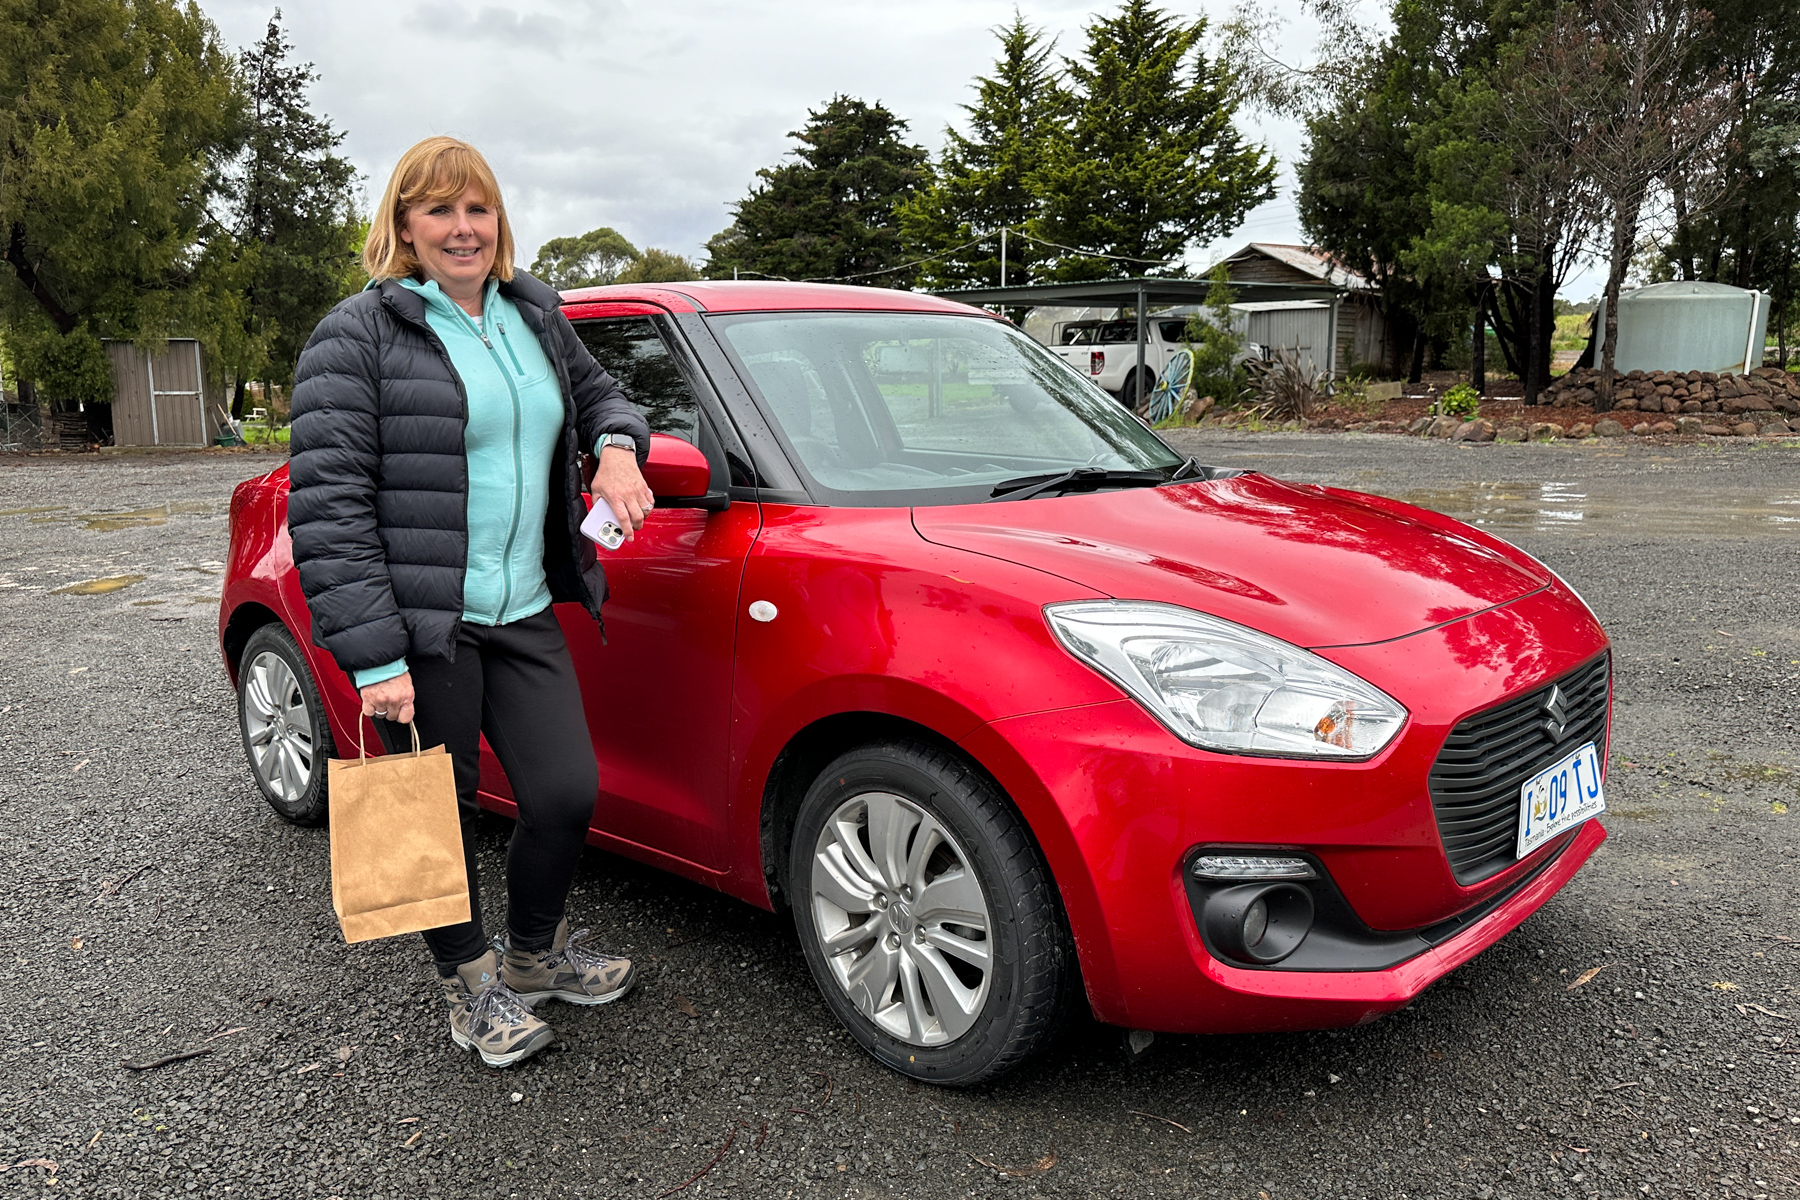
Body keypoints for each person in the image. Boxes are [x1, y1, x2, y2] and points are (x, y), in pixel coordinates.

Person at [288, 136, 654, 1068]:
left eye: (478, 208)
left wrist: (616, 447)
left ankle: (532, 956)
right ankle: (471, 986)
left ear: (499, 221)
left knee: (567, 794)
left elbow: (608, 396)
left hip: (524, 606)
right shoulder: (357, 334)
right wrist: (374, 658)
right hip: (423, 626)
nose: (464, 229)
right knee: (430, 812)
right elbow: (329, 509)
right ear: (405, 228)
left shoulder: (533, 311)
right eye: (440, 210)